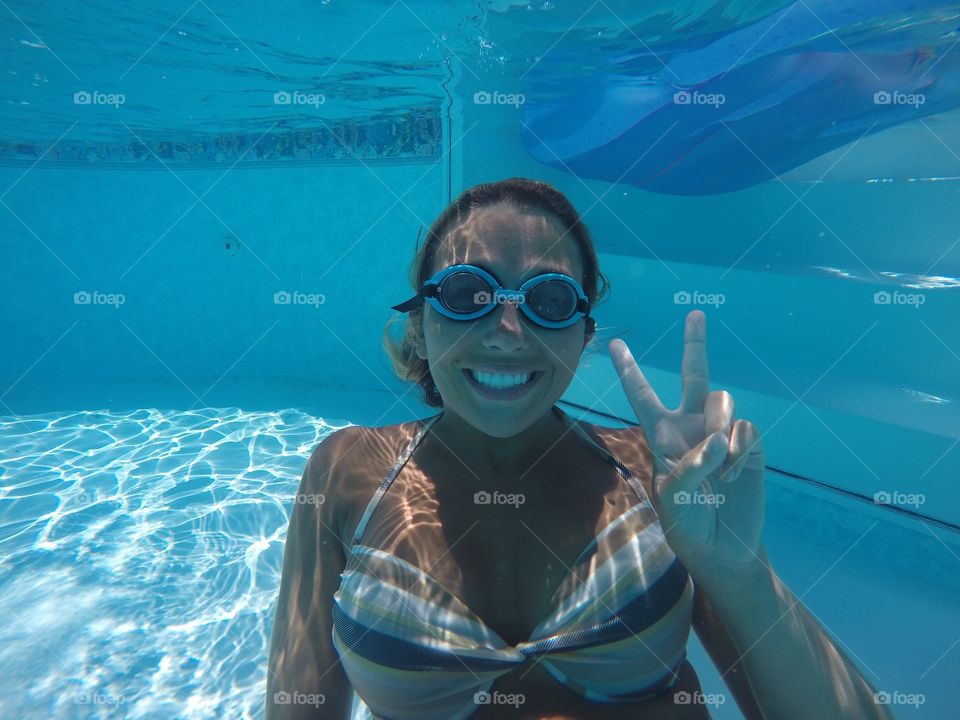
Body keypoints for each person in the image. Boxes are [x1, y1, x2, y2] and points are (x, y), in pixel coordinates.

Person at [266, 178, 893, 720]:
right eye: (466, 295)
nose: (506, 332)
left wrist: (740, 572)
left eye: (548, 300)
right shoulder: (347, 471)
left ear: (582, 336)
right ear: (420, 328)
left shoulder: (656, 474)